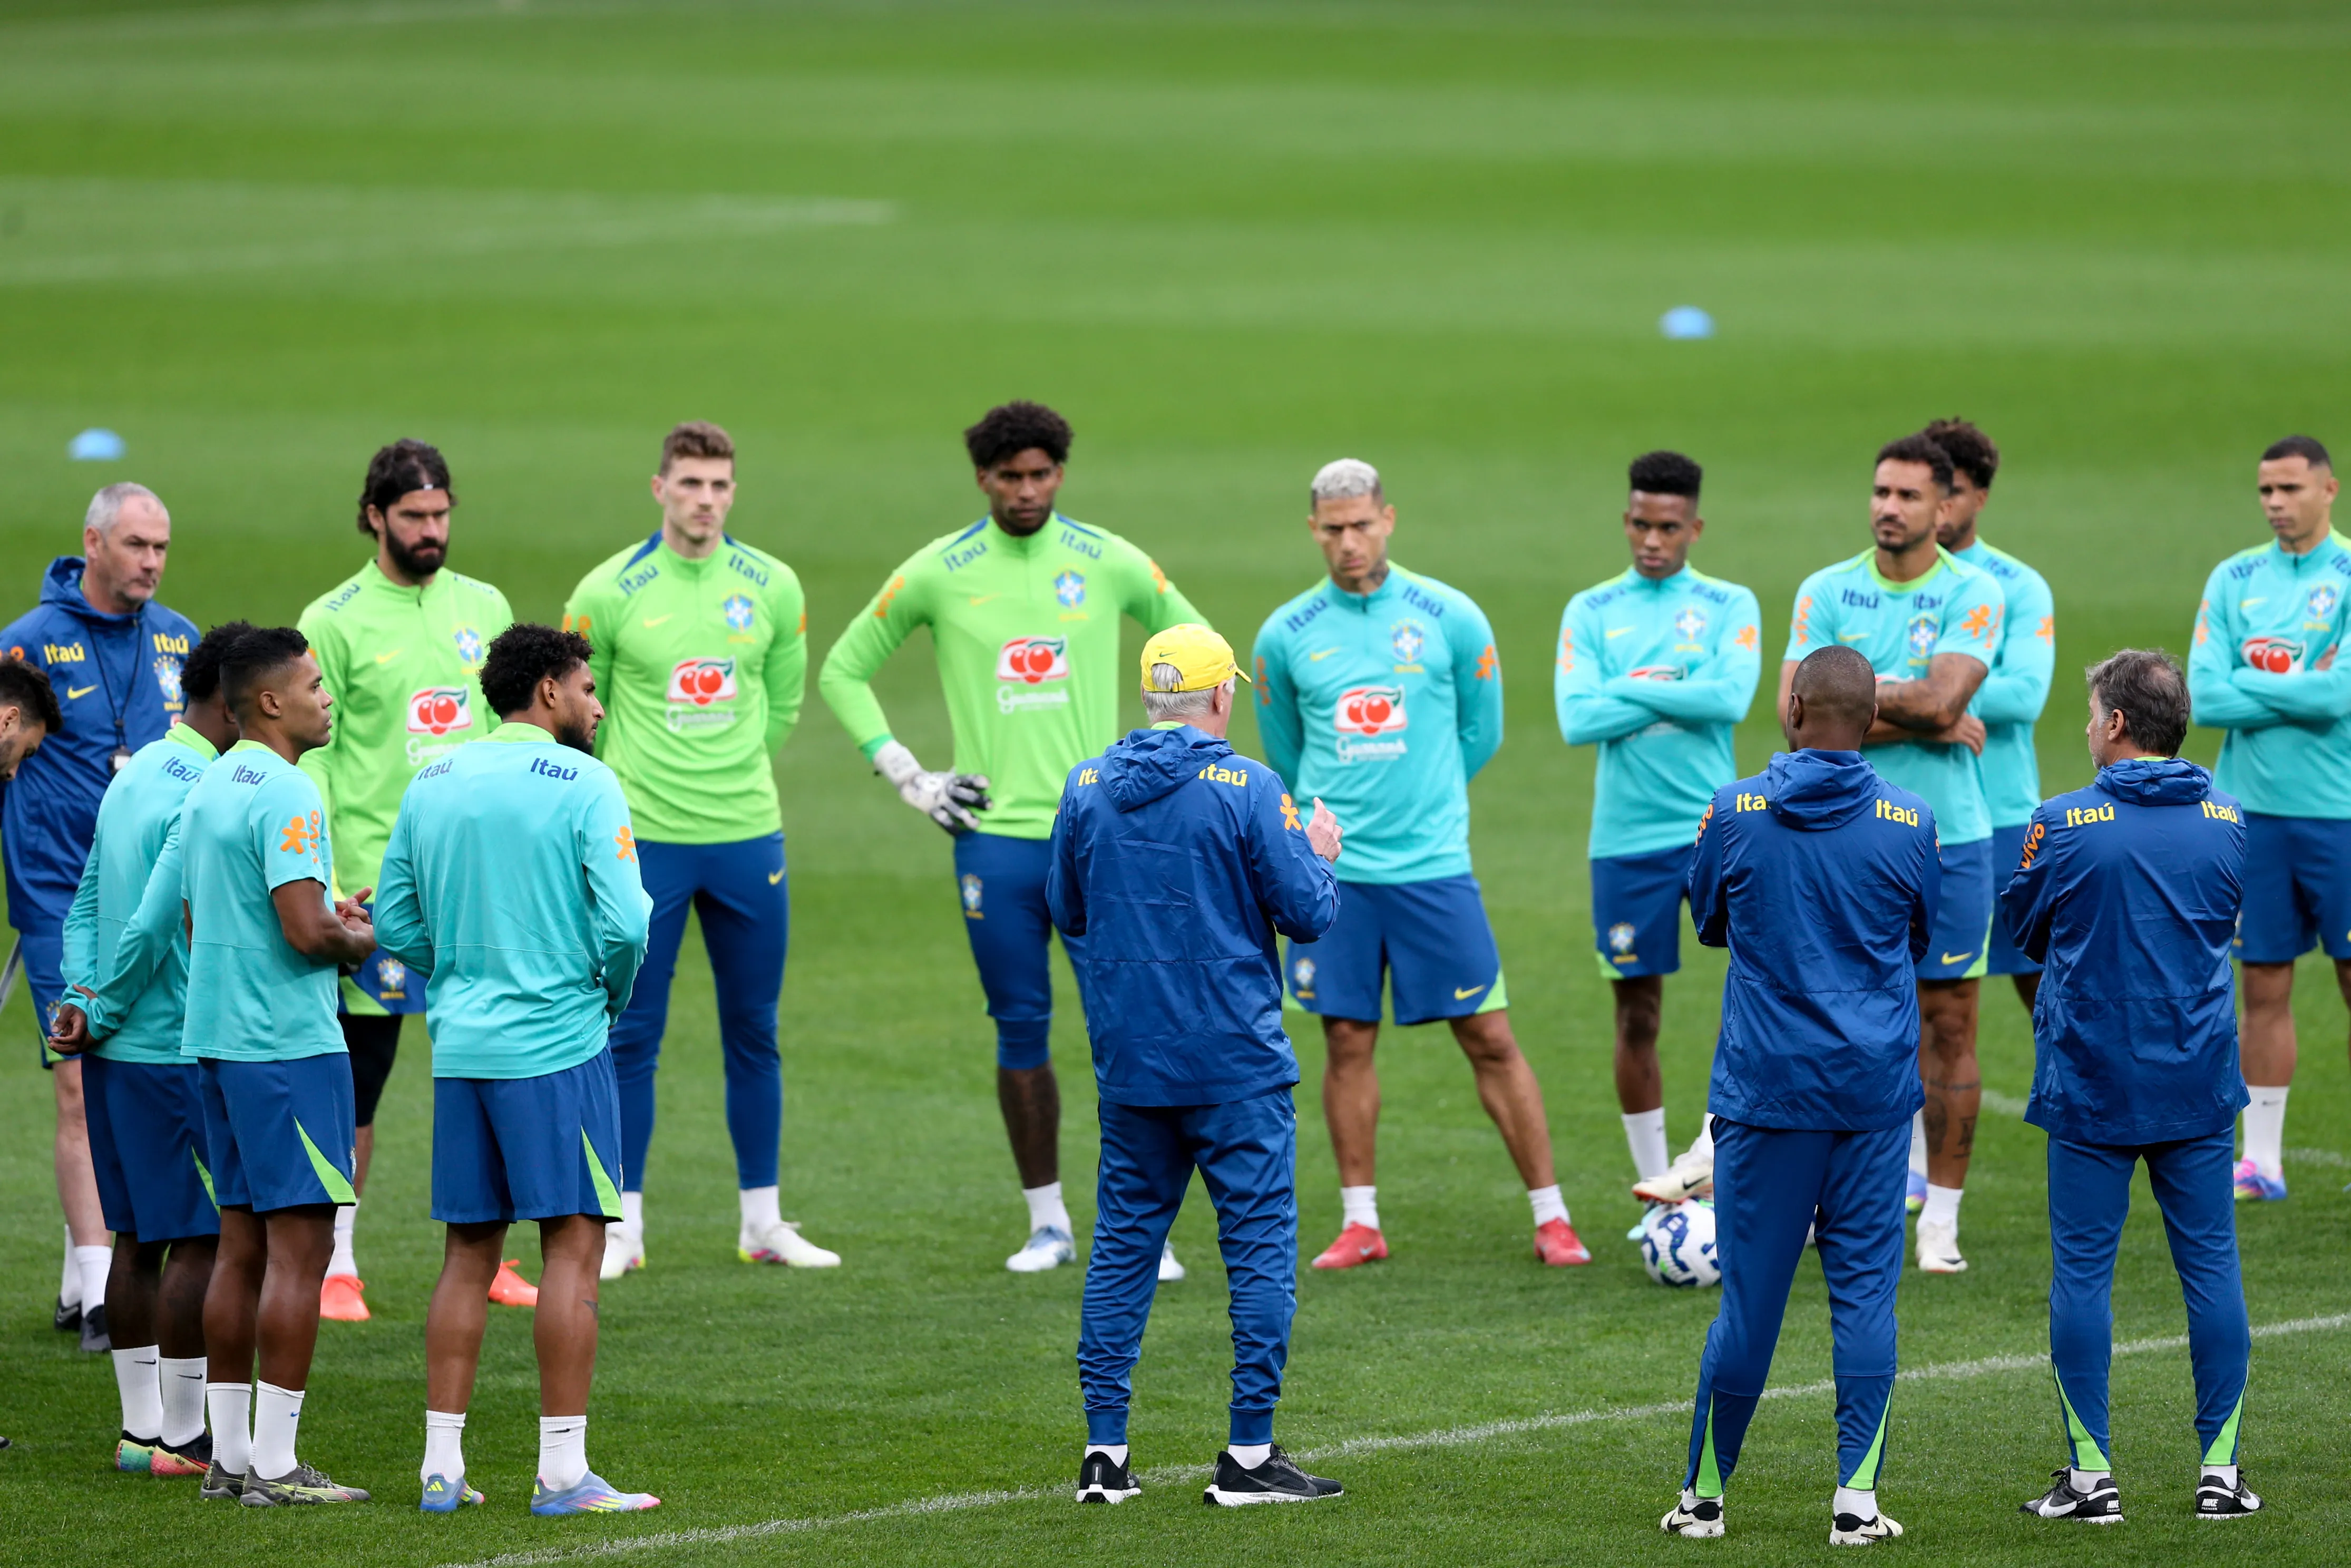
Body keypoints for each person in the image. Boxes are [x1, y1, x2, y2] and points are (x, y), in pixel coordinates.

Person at [820, 400, 1204, 1275]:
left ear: (1060, 474)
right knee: (1021, 1028)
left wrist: (1160, 754)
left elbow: (1195, 642)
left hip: (1103, 833)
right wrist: (910, 775)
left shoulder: (1107, 560)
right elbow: (843, 668)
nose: (1027, 491)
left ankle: (1143, 1227)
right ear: (983, 479)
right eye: (1010, 477)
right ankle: (1048, 1223)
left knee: (1132, 1028)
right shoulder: (939, 571)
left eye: (1042, 475)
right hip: (995, 843)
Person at [1254, 458, 1583, 1270]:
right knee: (1346, 1038)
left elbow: (1484, 731)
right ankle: (1360, 1221)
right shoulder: (1284, 635)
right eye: (1332, 529)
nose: (1348, 542)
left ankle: (1553, 1215)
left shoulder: (1452, 617)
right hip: (1335, 876)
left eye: (1362, 524)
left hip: (1433, 866)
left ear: (1389, 518)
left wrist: (1426, 797)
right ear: (1313, 531)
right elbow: (1287, 756)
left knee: (1490, 1034)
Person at [1048, 624, 1345, 1506]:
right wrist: (1324, 856)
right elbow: (1309, 914)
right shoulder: (1250, 786)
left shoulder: (1086, 785)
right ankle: (1249, 1457)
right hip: (1236, 1066)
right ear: (1224, 697)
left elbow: (1066, 906)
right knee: (1257, 1251)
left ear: (1151, 698)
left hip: (1132, 1065)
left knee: (1122, 1251)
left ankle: (1106, 1455)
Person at [374, 624, 659, 1516]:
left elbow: (392, 918)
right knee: (575, 1244)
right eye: (586, 688)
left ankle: (441, 1468)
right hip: (557, 1044)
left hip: (462, 1046)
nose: (598, 703)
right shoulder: (587, 782)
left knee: (467, 1252)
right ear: (546, 691)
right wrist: (602, 995)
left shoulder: (432, 780)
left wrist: (455, 977)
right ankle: (564, 1474)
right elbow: (628, 926)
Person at [1660, 646, 1938, 1547]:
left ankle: (1704, 1501)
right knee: (1864, 1299)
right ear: (1869, 721)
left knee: (1750, 1303)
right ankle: (1856, 1504)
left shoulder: (1734, 811)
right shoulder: (1911, 821)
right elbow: (1921, 938)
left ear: (1792, 708)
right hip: (1871, 1097)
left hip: (1768, 1094)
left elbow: (1707, 921)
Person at [563, 421, 831, 1278]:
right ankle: (622, 1227)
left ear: (733, 492)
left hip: (748, 831)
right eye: (690, 484)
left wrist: (732, 770)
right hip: (647, 839)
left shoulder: (773, 586)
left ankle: (763, 1221)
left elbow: (782, 704)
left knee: (756, 1028)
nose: (705, 501)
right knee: (632, 1032)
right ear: (659, 488)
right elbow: (578, 712)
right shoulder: (608, 591)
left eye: (719, 486)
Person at [2002, 649, 2261, 1523]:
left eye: (2089, 715)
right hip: (2195, 1078)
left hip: (2092, 1081)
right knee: (2212, 1269)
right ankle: (2220, 1476)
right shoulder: (2228, 817)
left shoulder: (2063, 821)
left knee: (2083, 1272)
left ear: (2116, 724)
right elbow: (2224, 917)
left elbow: (2022, 928)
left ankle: (2090, 1479)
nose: (2084, 728)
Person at [151, 626, 377, 1505]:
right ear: (271, 701)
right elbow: (305, 930)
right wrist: (358, 934)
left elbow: (204, 914)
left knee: (239, 1246)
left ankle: (232, 1457)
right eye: (315, 685)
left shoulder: (212, 783)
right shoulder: (289, 790)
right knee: (302, 1247)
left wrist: (326, 911)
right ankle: (277, 1465)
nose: (328, 698)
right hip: (285, 1045)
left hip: (215, 1039)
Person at [297, 440, 517, 1321]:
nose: (433, 531)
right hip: (377, 888)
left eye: (442, 515)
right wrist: (322, 874)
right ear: (376, 515)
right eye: (416, 517)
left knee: (490, 1065)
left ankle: (491, 1255)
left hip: (476, 883)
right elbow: (312, 754)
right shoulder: (335, 619)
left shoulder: (486, 605)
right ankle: (337, 1262)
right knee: (363, 1078)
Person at [1782, 433, 2002, 1275]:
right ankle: (1820, 1199)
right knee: (1829, 1017)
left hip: (1947, 836)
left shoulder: (1975, 590)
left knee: (1949, 1022)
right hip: (1839, 837)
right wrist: (1930, 715)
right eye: (1880, 491)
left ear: (1944, 506)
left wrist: (1867, 701)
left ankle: (1939, 1219)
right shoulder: (1826, 589)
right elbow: (1796, 719)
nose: (1888, 507)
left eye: (1909, 496)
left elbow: (1945, 694)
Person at [0, 482, 196, 1352]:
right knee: (80, 1078)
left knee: (149, 1079)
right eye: (136, 545)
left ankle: (109, 1264)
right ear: (93, 543)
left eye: (161, 546)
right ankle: (95, 1287)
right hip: (56, 896)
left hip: (156, 901)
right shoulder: (28, 645)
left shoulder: (180, 640)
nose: (152, 561)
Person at [50, 622, 248, 1479]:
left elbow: (87, 899)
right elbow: (155, 920)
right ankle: (181, 1434)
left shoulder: (133, 779)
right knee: (200, 1237)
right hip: (170, 1044)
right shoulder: (204, 787)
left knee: (136, 1234)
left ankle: (140, 1433)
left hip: (117, 1047)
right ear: (239, 700)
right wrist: (116, 996)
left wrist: (83, 997)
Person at [1554, 450, 1761, 1222]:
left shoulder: (1730, 603)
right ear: (1626, 519)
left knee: (1763, 997)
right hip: (1626, 840)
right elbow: (1576, 719)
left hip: (1719, 831)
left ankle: (1725, 1161)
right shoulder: (1591, 609)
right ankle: (1660, 1196)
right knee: (1636, 1012)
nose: (1652, 539)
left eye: (1668, 526)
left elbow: (1733, 696)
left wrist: (1625, 687)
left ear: (1695, 527)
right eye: (1640, 523)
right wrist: (1676, 686)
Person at [2186, 434, 2351, 1204]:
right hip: (2250, 813)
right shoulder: (2234, 576)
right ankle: (2262, 1160)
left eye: (2290, 488)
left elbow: (2339, 698)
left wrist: (2256, 682)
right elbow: (2204, 696)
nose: (2276, 503)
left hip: (2340, 812)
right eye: (2265, 491)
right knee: (2262, 981)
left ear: (2330, 489)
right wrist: (2298, 683)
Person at [1913, 416, 2055, 1213]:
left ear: (1978, 496)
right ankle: (1906, 1167)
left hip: (2002, 817)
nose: (1938, 507)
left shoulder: (2015, 585)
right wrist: (1935, 698)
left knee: (2043, 989)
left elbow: (2021, 694)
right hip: (1911, 817)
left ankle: (2093, 1126)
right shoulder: (1896, 580)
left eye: (1953, 491)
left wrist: (1929, 693)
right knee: (1913, 998)